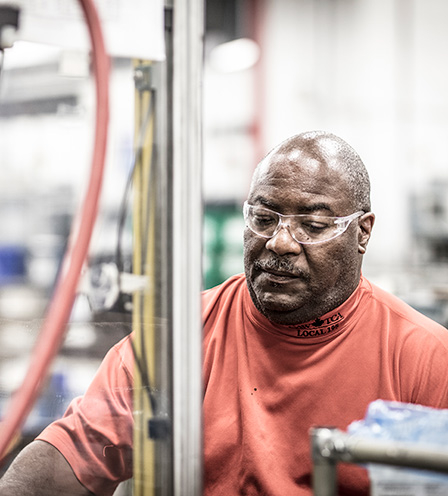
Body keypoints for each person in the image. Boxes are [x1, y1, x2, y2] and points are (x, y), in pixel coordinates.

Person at [1, 131, 448, 495]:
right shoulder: (179, 340)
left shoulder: (424, 359)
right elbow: (71, 454)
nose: (280, 242)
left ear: (362, 232)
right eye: (264, 217)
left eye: (312, 225)